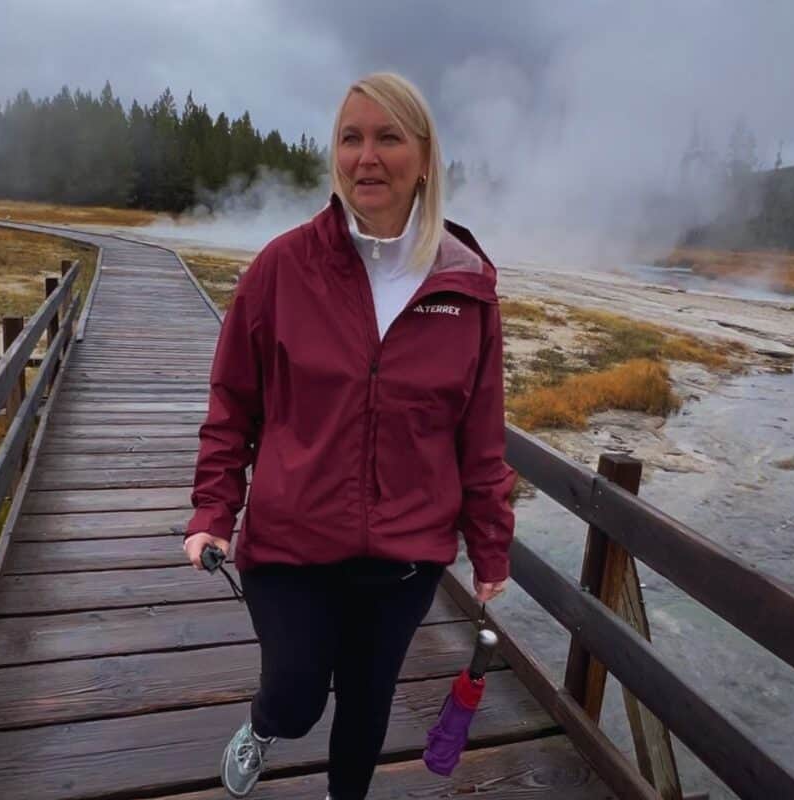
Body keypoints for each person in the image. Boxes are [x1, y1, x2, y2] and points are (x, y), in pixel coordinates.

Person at [182, 72, 516, 800]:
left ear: (424, 158)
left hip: (403, 555)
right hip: (292, 539)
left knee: (367, 706)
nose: (368, 156)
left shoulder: (467, 289)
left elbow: (480, 435)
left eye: (389, 137)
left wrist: (491, 543)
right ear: (335, 154)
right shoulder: (281, 268)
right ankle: (266, 725)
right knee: (299, 695)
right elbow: (232, 403)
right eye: (352, 138)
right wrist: (214, 512)